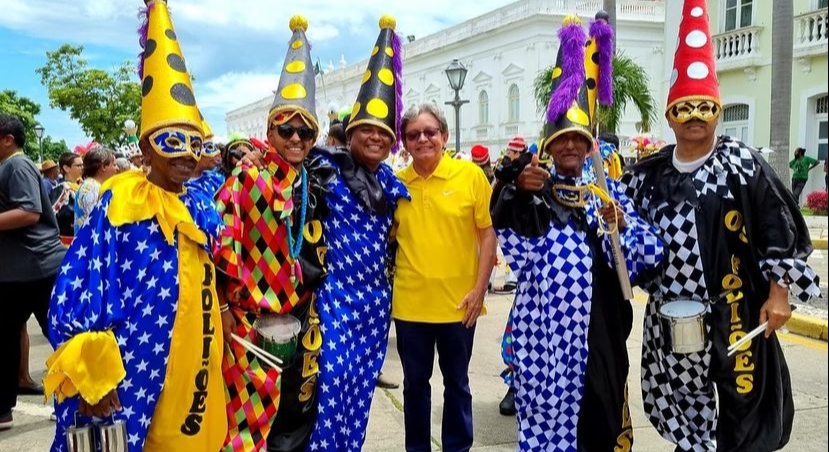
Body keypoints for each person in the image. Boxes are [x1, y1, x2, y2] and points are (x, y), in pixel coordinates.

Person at [620, 2, 821, 451]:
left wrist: (779, 293)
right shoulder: (644, 176)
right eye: (683, 107)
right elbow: (612, 225)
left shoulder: (743, 165)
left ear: (717, 110)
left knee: (745, 416)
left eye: (703, 106)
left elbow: (779, 231)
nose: (694, 115)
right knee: (686, 413)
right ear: (670, 115)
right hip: (674, 318)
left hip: (737, 311)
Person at [44, 1, 227, 450]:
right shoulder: (121, 202)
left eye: (195, 143)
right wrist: (94, 373)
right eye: (172, 141)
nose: (186, 155)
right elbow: (81, 285)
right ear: (145, 145)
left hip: (195, 356)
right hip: (135, 364)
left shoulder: (202, 201)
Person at [500, 14, 663, 451]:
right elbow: (516, 249)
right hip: (544, 338)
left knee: (601, 424)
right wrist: (517, 195)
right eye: (561, 140)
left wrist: (620, 224)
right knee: (545, 427)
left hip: (601, 334)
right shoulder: (533, 193)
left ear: (590, 145)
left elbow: (650, 256)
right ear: (549, 146)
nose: (569, 146)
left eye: (577, 139)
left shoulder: (608, 195)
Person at [214, 16, 331, 452]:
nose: (296, 138)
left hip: (302, 318)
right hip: (250, 321)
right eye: (287, 129)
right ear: (270, 131)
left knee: (296, 414)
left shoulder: (314, 179)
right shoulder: (248, 176)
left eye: (305, 131)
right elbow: (222, 243)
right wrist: (225, 306)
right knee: (248, 422)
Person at [304, 16, 409, 451]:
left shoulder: (394, 185)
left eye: (382, 133)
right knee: (330, 385)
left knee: (360, 392)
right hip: (333, 299)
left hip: (374, 307)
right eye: (366, 129)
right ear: (351, 133)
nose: (374, 138)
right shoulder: (325, 170)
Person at [392, 102, 497, 452]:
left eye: (430, 132)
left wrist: (480, 290)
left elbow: (487, 233)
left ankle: (457, 447)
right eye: (413, 134)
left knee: (457, 384)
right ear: (404, 142)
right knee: (415, 387)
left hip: (460, 305)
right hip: (410, 307)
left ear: (445, 136)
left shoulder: (470, 177)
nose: (422, 139)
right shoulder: (395, 185)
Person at [0, 114, 67, 431]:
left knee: (61, 336)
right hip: (15, 273)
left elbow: (29, 211)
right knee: (5, 340)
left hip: (39, 268)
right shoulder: (8, 166)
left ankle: (75, 399)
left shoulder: (17, 164)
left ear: (8, 139)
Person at [74, 147, 117, 233]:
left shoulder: (92, 185)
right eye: (114, 165)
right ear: (103, 167)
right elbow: (98, 222)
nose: (117, 168)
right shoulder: (92, 188)